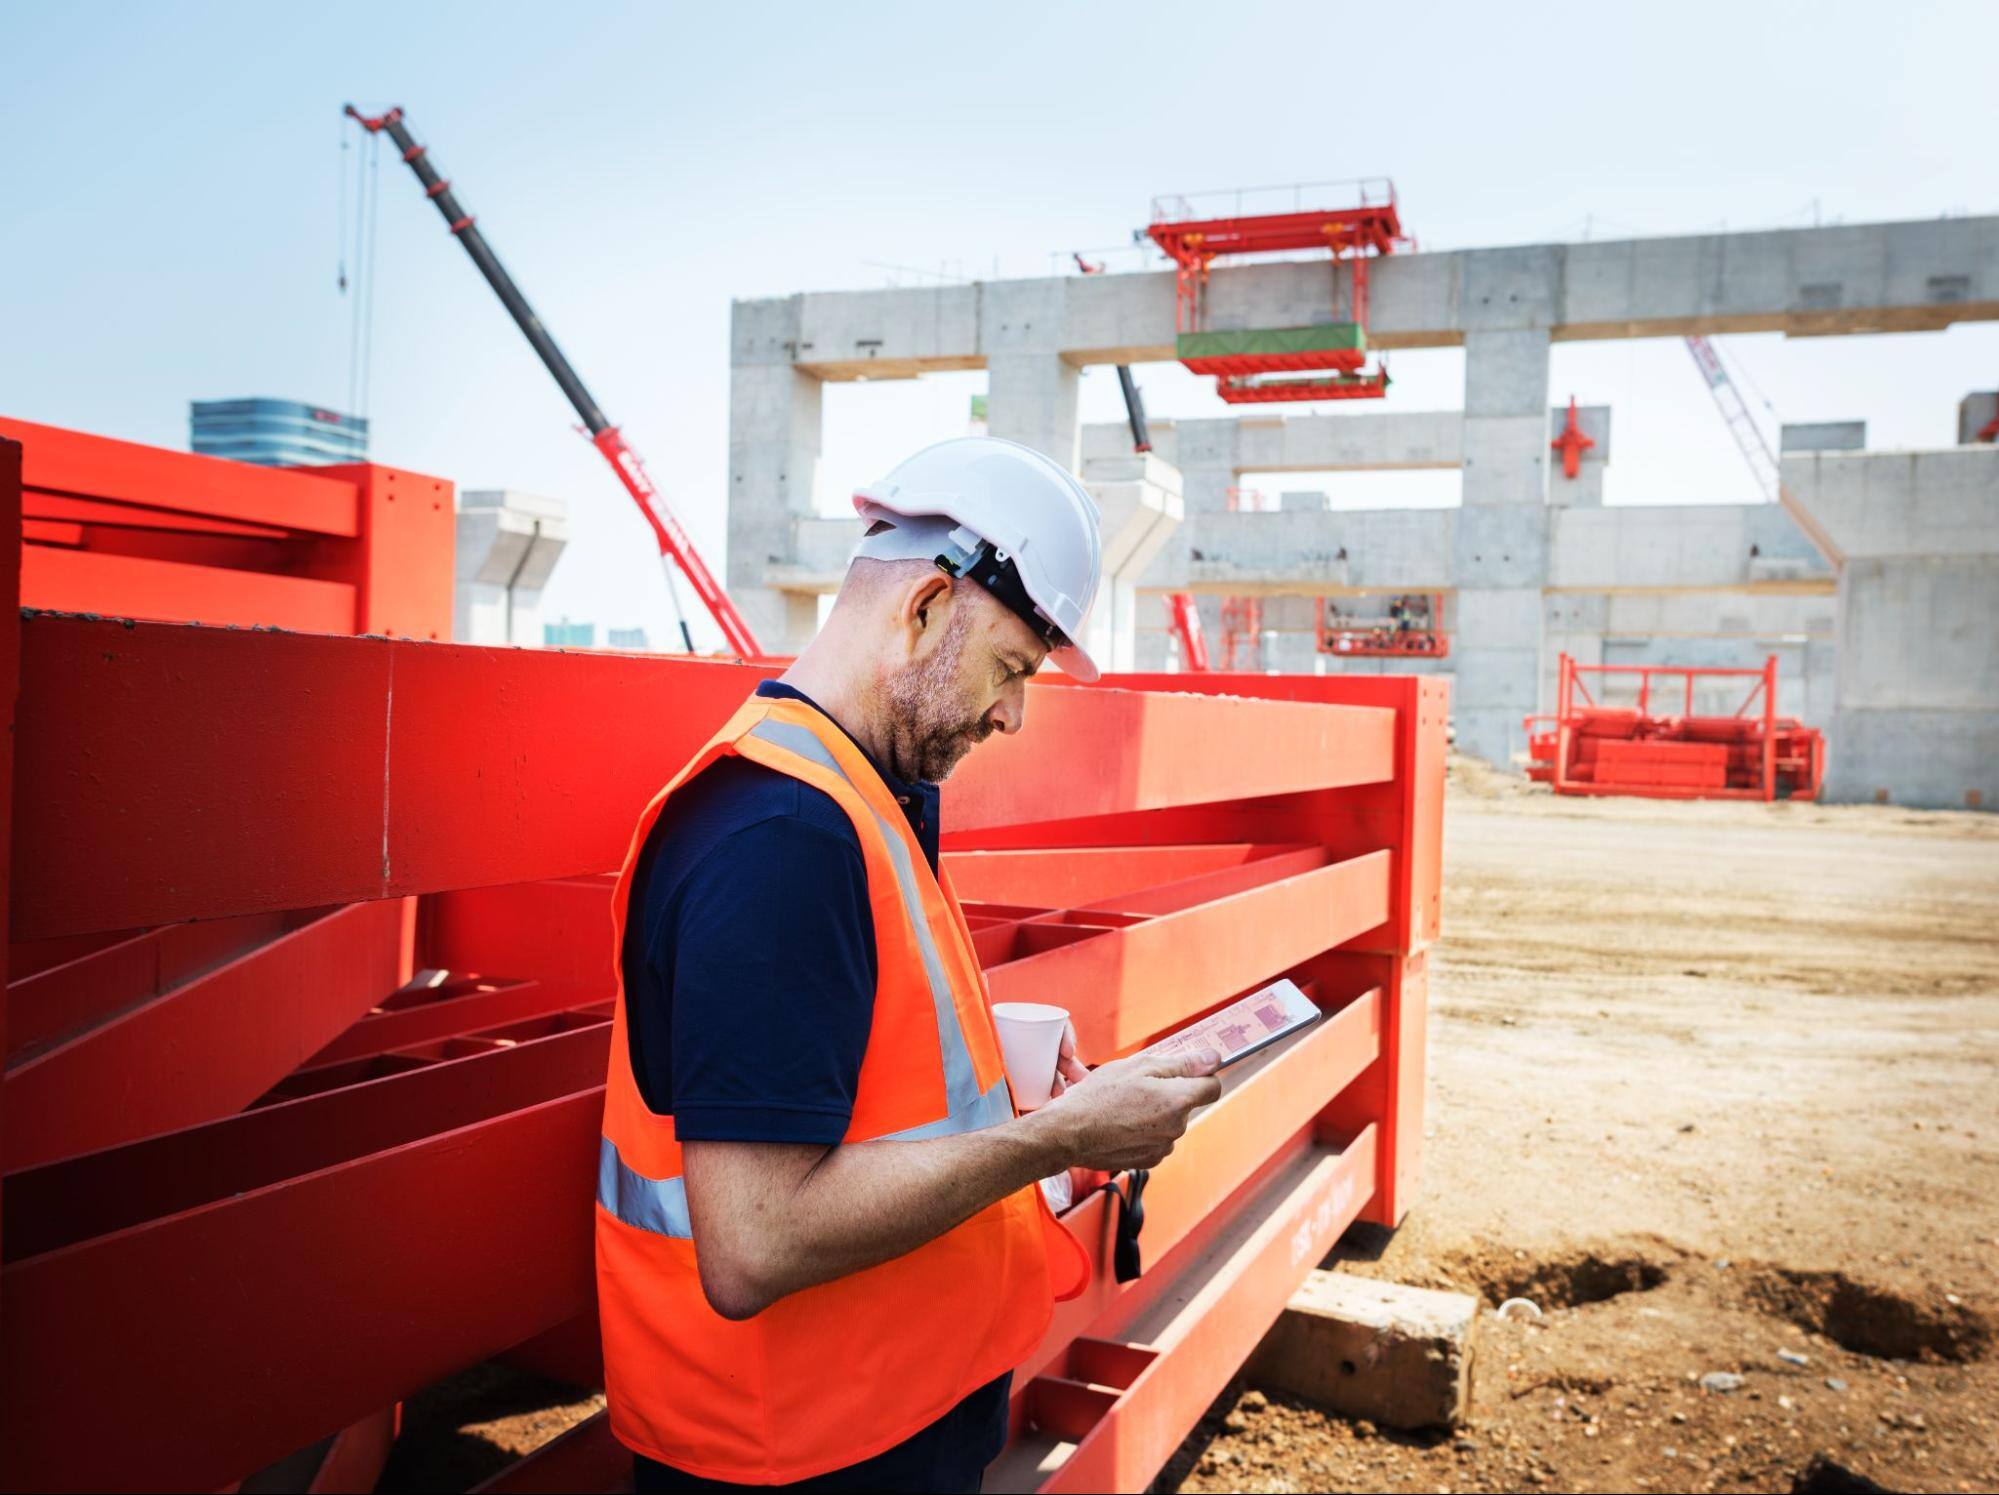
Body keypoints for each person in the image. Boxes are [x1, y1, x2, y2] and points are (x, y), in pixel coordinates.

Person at [596, 436, 1224, 1493]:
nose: (1011, 715)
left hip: (869, 1418)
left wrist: (1010, 1095)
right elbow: (753, 1241)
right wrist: (1056, 1135)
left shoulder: (845, 794)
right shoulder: (781, 835)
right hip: (798, 1453)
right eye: (1010, 669)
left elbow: (848, 1070)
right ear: (928, 608)